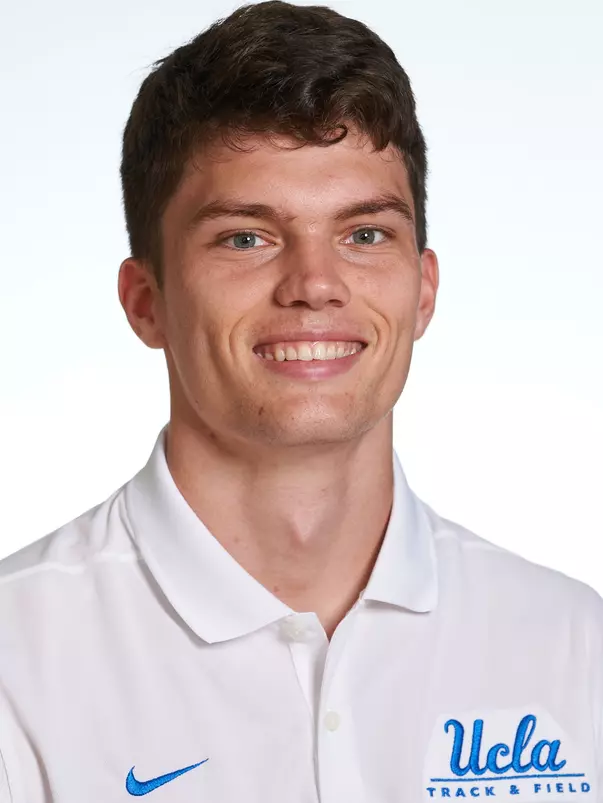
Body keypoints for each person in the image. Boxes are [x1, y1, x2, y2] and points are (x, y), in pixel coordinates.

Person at [0, 1, 601, 801]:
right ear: (146, 301)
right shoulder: (19, 661)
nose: (315, 285)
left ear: (423, 291)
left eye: (364, 234)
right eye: (246, 236)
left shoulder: (570, 644)